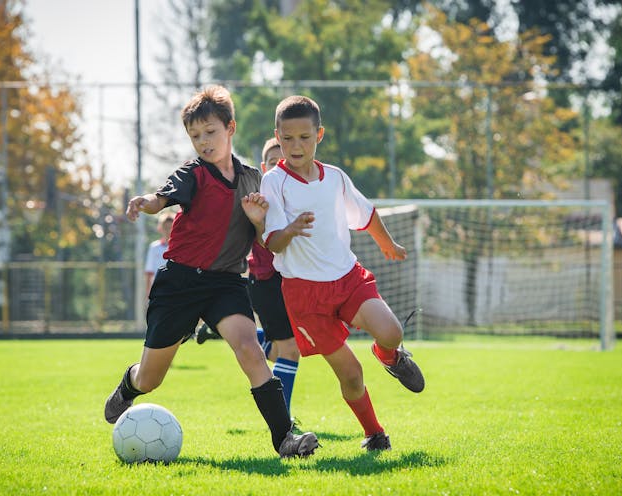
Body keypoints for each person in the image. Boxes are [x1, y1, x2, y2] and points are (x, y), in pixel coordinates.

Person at [104, 85, 319, 459]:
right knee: (151, 378)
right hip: (180, 283)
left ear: (230, 128)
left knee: (250, 348)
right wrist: (147, 202)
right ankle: (129, 384)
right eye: (195, 136)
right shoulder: (193, 174)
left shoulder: (253, 179)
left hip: (226, 283)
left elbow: (264, 239)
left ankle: (284, 439)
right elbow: (164, 197)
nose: (203, 142)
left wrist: (257, 220)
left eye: (210, 132)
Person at [260, 95, 425, 452]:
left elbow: (366, 214)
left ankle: (389, 356)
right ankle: (375, 434)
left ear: (319, 134)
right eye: (287, 138)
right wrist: (291, 228)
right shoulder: (274, 182)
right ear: (277, 136)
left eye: (304, 137)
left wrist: (388, 244)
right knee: (351, 375)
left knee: (391, 332)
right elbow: (272, 242)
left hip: (348, 279)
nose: (296, 145)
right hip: (306, 296)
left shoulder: (334, 177)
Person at [197, 138, 302, 421]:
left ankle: (218, 329)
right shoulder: (254, 197)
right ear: (263, 167)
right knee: (290, 351)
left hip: (293, 280)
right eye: (272, 162)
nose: (279, 166)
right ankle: (285, 420)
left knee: (283, 349)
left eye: (284, 161)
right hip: (266, 281)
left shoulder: (300, 193)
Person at [144, 212, 175, 297]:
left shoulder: (179, 248)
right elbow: (149, 273)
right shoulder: (154, 247)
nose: (168, 231)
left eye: (171, 227)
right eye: (166, 228)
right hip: (158, 291)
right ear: (160, 228)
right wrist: (148, 295)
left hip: (175, 290)